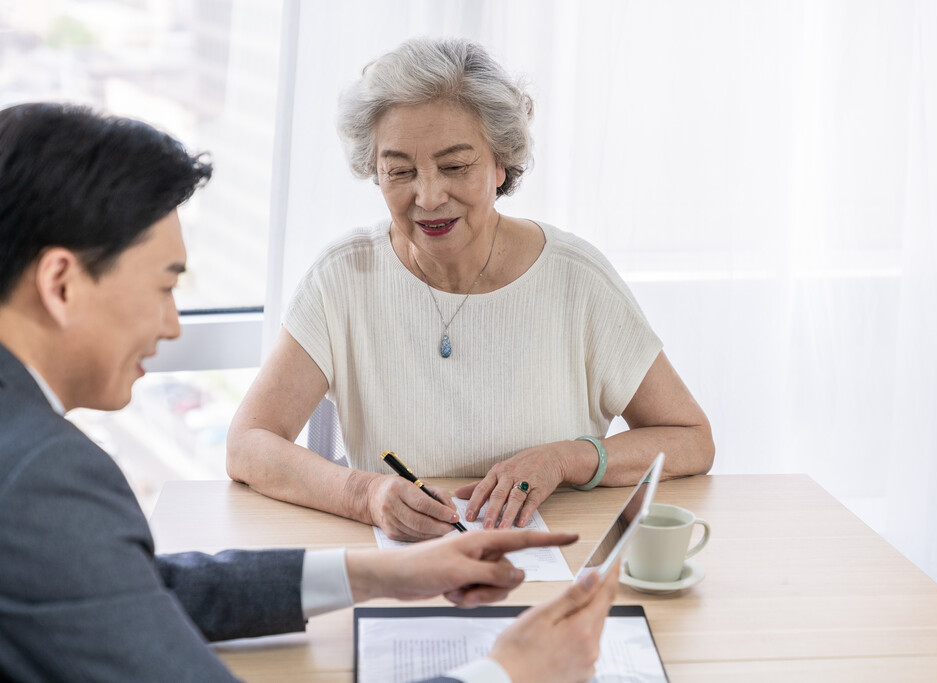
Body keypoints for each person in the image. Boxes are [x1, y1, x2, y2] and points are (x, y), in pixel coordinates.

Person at [0, 102, 618, 683]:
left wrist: (383, 573)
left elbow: (132, 589)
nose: (172, 326)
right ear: (61, 283)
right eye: (164, 287)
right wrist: (508, 672)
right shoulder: (44, 475)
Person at [227, 37, 715, 541]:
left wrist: (567, 457)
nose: (429, 195)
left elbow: (691, 439)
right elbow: (248, 443)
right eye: (399, 171)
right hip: (406, 568)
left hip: (552, 562)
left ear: (501, 164)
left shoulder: (576, 279)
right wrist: (365, 494)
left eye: (456, 166)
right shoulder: (343, 277)